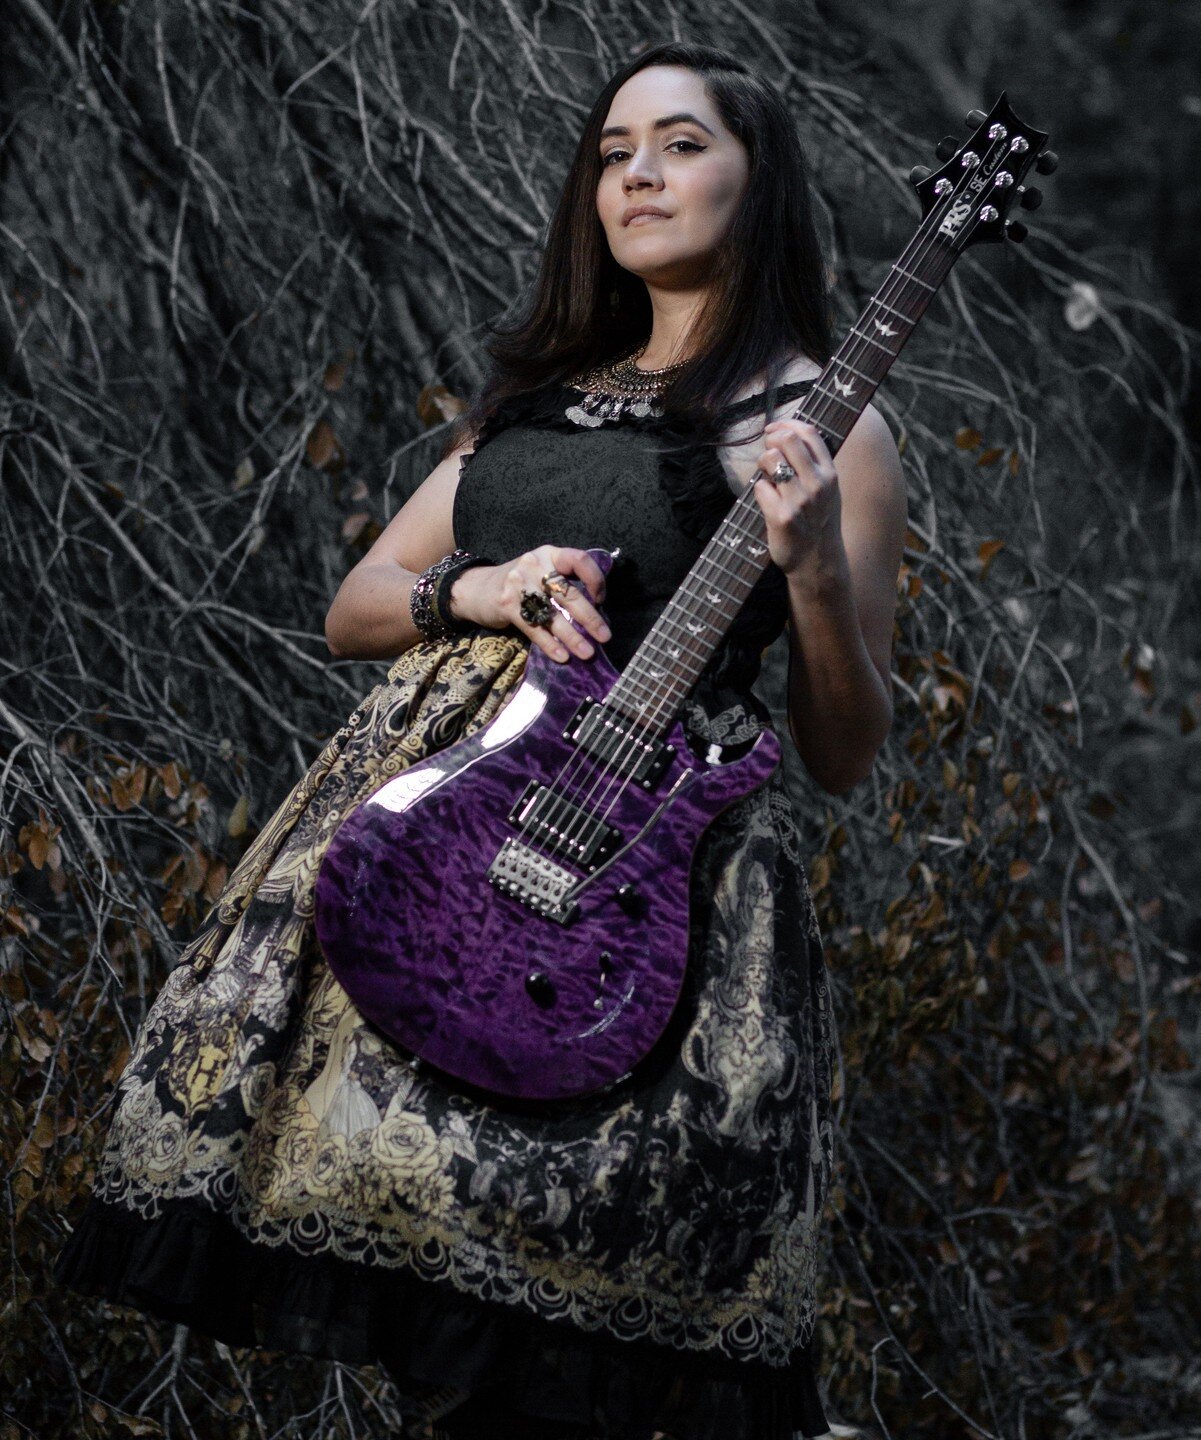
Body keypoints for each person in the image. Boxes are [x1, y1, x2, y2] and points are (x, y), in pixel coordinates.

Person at [55, 39, 906, 1440]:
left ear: (762, 185)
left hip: (640, 888)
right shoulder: (530, 402)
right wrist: (488, 590)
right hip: (433, 845)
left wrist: (811, 565)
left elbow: (846, 747)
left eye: (683, 144)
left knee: (565, 1305)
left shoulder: (827, 430)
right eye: (614, 148)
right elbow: (358, 605)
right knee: (419, 1274)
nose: (637, 172)